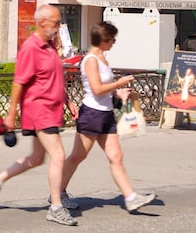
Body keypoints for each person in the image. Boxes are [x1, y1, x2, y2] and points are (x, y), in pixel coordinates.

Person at [0, 4, 79, 227]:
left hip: (51, 109)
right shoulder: (31, 48)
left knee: (37, 158)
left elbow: (54, 76)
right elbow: (19, 82)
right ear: (42, 22)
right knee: (58, 156)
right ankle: (55, 206)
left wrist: (67, 101)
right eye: (56, 23)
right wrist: (10, 114)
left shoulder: (50, 46)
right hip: (39, 110)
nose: (58, 27)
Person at [59, 22, 157, 214]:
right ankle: (57, 193)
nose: (114, 43)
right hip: (92, 114)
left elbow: (105, 89)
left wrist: (118, 93)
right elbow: (96, 89)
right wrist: (118, 84)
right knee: (77, 156)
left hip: (105, 113)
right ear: (104, 40)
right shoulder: (90, 60)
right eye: (112, 40)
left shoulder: (102, 58)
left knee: (116, 157)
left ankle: (130, 198)